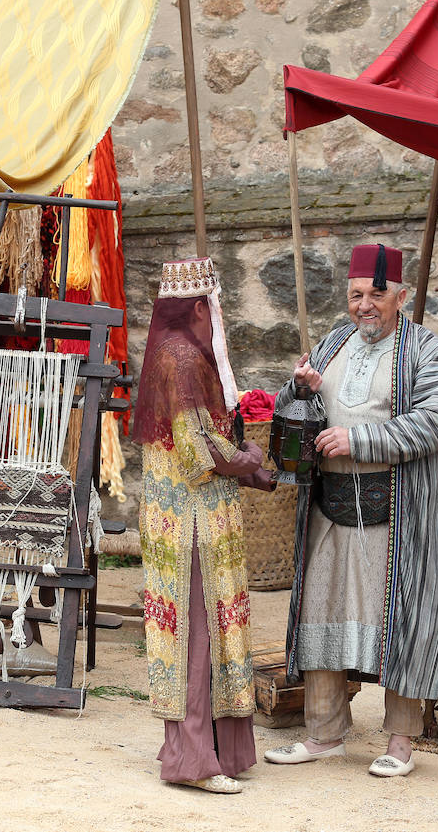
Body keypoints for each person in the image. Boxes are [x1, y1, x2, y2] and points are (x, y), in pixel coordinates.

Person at [265, 243, 438, 777]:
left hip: (396, 513)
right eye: (356, 295)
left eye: (377, 294)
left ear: (400, 295)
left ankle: (400, 742)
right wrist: (303, 390)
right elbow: (299, 411)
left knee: (400, 621)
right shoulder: (332, 343)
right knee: (323, 614)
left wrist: (360, 439)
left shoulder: (427, 351)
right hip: (329, 508)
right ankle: (324, 734)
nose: (365, 305)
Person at [131, 257, 274, 795]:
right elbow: (197, 450)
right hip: (189, 523)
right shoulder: (182, 358)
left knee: (211, 631)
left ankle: (215, 749)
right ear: (198, 306)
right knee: (196, 637)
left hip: (195, 518)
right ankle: (193, 758)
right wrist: (250, 457)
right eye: (215, 304)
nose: (219, 315)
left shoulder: (180, 354)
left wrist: (251, 471)